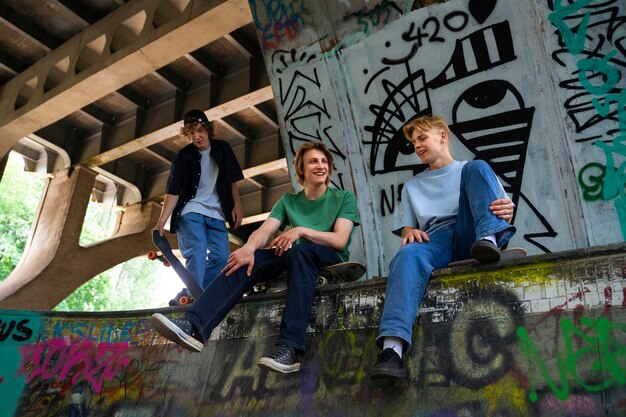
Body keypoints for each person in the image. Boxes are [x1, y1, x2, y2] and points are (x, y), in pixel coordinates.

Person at [150, 141, 360, 373]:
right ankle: (195, 326)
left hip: (329, 258)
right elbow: (264, 231)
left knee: (299, 250)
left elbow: (340, 239)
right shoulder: (288, 201)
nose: (320, 166)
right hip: (297, 257)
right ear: (301, 169)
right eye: (313, 161)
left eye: (324, 162)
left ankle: (290, 349)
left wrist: (300, 231)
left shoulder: (343, 198)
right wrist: (248, 249)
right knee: (248, 260)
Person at [370, 115, 516, 379]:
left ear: (442, 136)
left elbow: (504, 209)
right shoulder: (413, 185)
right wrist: (408, 231)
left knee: (477, 166)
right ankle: (392, 351)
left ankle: (488, 242)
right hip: (435, 237)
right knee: (406, 254)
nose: (417, 146)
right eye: (414, 142)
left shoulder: (471, 170)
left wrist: (506, 212)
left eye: (422, 138)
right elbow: (406, 228)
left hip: (472, 228)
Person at [154, 109, 244, 303]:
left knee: (221, 258)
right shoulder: (183, 156)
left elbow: (232, 180)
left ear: (208, 130)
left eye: (200, 131)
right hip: (191, 211)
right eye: (192, 133)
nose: (197, 137)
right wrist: (161, 222)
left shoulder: (223, 149)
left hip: (217, 213)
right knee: (197, 251)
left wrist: (237, 205)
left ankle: (191, 292)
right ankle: (195, 298)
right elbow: (173, 192)